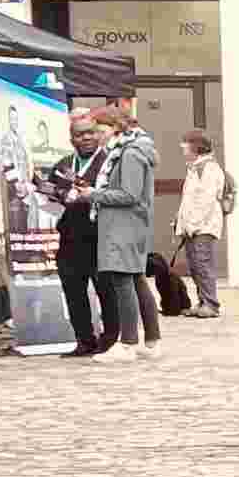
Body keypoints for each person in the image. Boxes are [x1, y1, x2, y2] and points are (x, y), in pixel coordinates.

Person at [83, 105, 161, 361]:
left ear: (115, 127)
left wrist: (94, 194)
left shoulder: (129, 154)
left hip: (123, 225)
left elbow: (129, 194)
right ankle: (151, 342)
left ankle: (128, 344)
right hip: (129, 224)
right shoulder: (131, 150)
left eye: (100, 129)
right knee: (137, 279)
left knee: (122, 281)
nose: (97, 135)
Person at [49, 116, 108, 357]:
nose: (85, 138)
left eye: (90, 133)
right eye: (79, 135)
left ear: (98, 134)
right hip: (70, 237)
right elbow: (50, 193)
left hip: (99, 237)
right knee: (73, 291)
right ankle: (84, 341)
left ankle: (110, 340)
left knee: (106, 291)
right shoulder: (63, 165)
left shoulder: (109, 163)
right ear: (71, 139)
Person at [173, 128, 232, 320]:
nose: (183, 148)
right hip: (194, 227)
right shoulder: (196, 168)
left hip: (202, 227)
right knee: (195, 265)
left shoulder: (207, 169)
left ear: (195, 147)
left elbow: (205, 200)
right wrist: (181, 221)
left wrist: (193, 224)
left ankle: (210, 304)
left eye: (186, 144)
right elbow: (191, 200)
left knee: (203, 264)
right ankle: (202, 302)